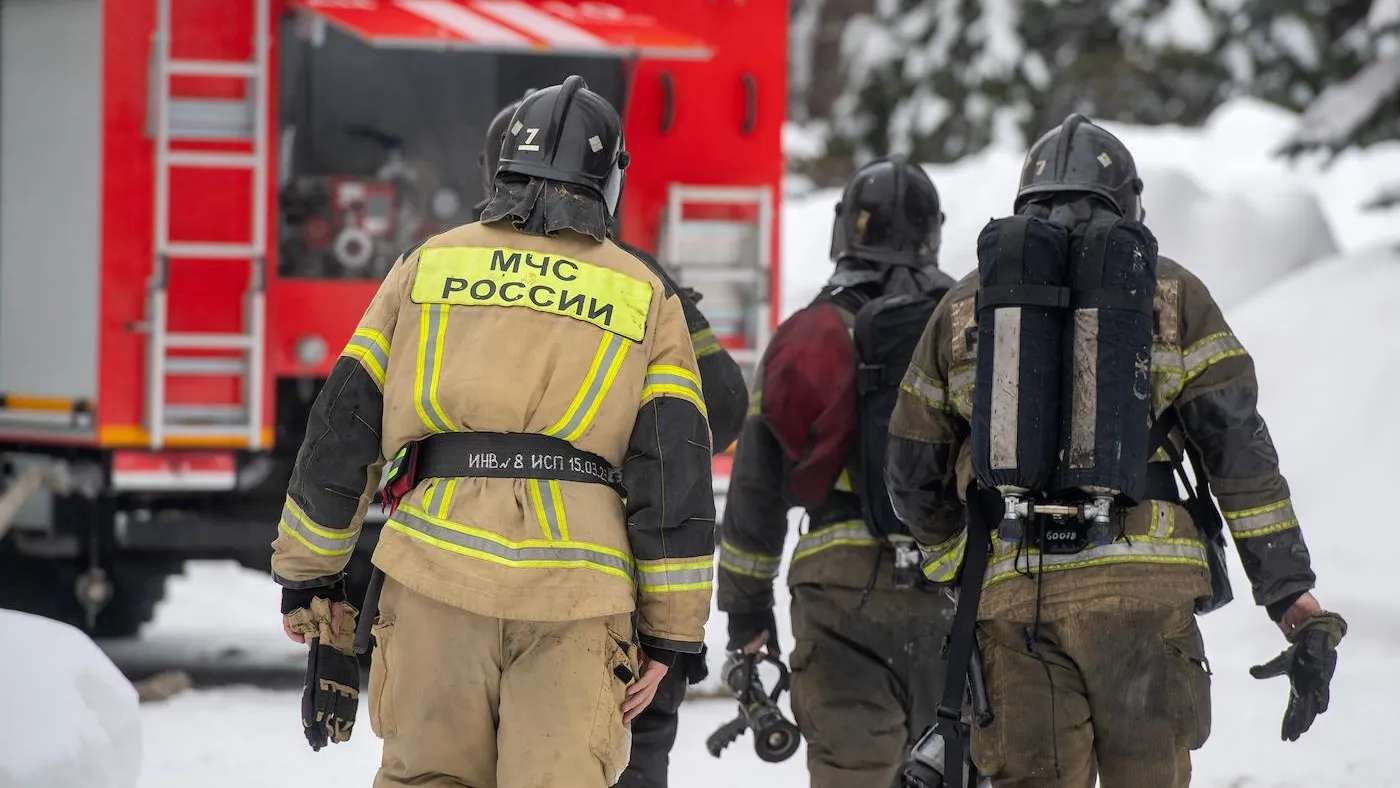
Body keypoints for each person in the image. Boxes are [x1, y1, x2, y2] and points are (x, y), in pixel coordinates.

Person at [271, 75, 717, 788]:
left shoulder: (427, 264)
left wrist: (309, 575)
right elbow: (673, 468)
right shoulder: (643, 294)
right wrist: (674, 632)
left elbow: (343, 427)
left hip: (432, 580)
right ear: (608, 180)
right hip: (578, 596)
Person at [885, 114, 1347, 788]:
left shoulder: (964, 307)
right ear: (1128, 206)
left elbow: (910, 466)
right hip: (1145, 601)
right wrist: (1291, 600)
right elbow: (1237, 454)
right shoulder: (1174, 294)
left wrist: (960, 563)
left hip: (1016, 605)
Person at [478, 95, 749, 788]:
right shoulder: (644, 284)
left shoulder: (453, 274)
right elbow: (723, 405)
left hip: (458, 587)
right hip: (607, 586)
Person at [717, 155, 959, 787]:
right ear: (933, 232)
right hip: (954, 592)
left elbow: (755, 494)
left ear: (843, 230)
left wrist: (746, 616)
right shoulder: (971, 327)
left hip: (839, 597)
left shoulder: (808, 335)